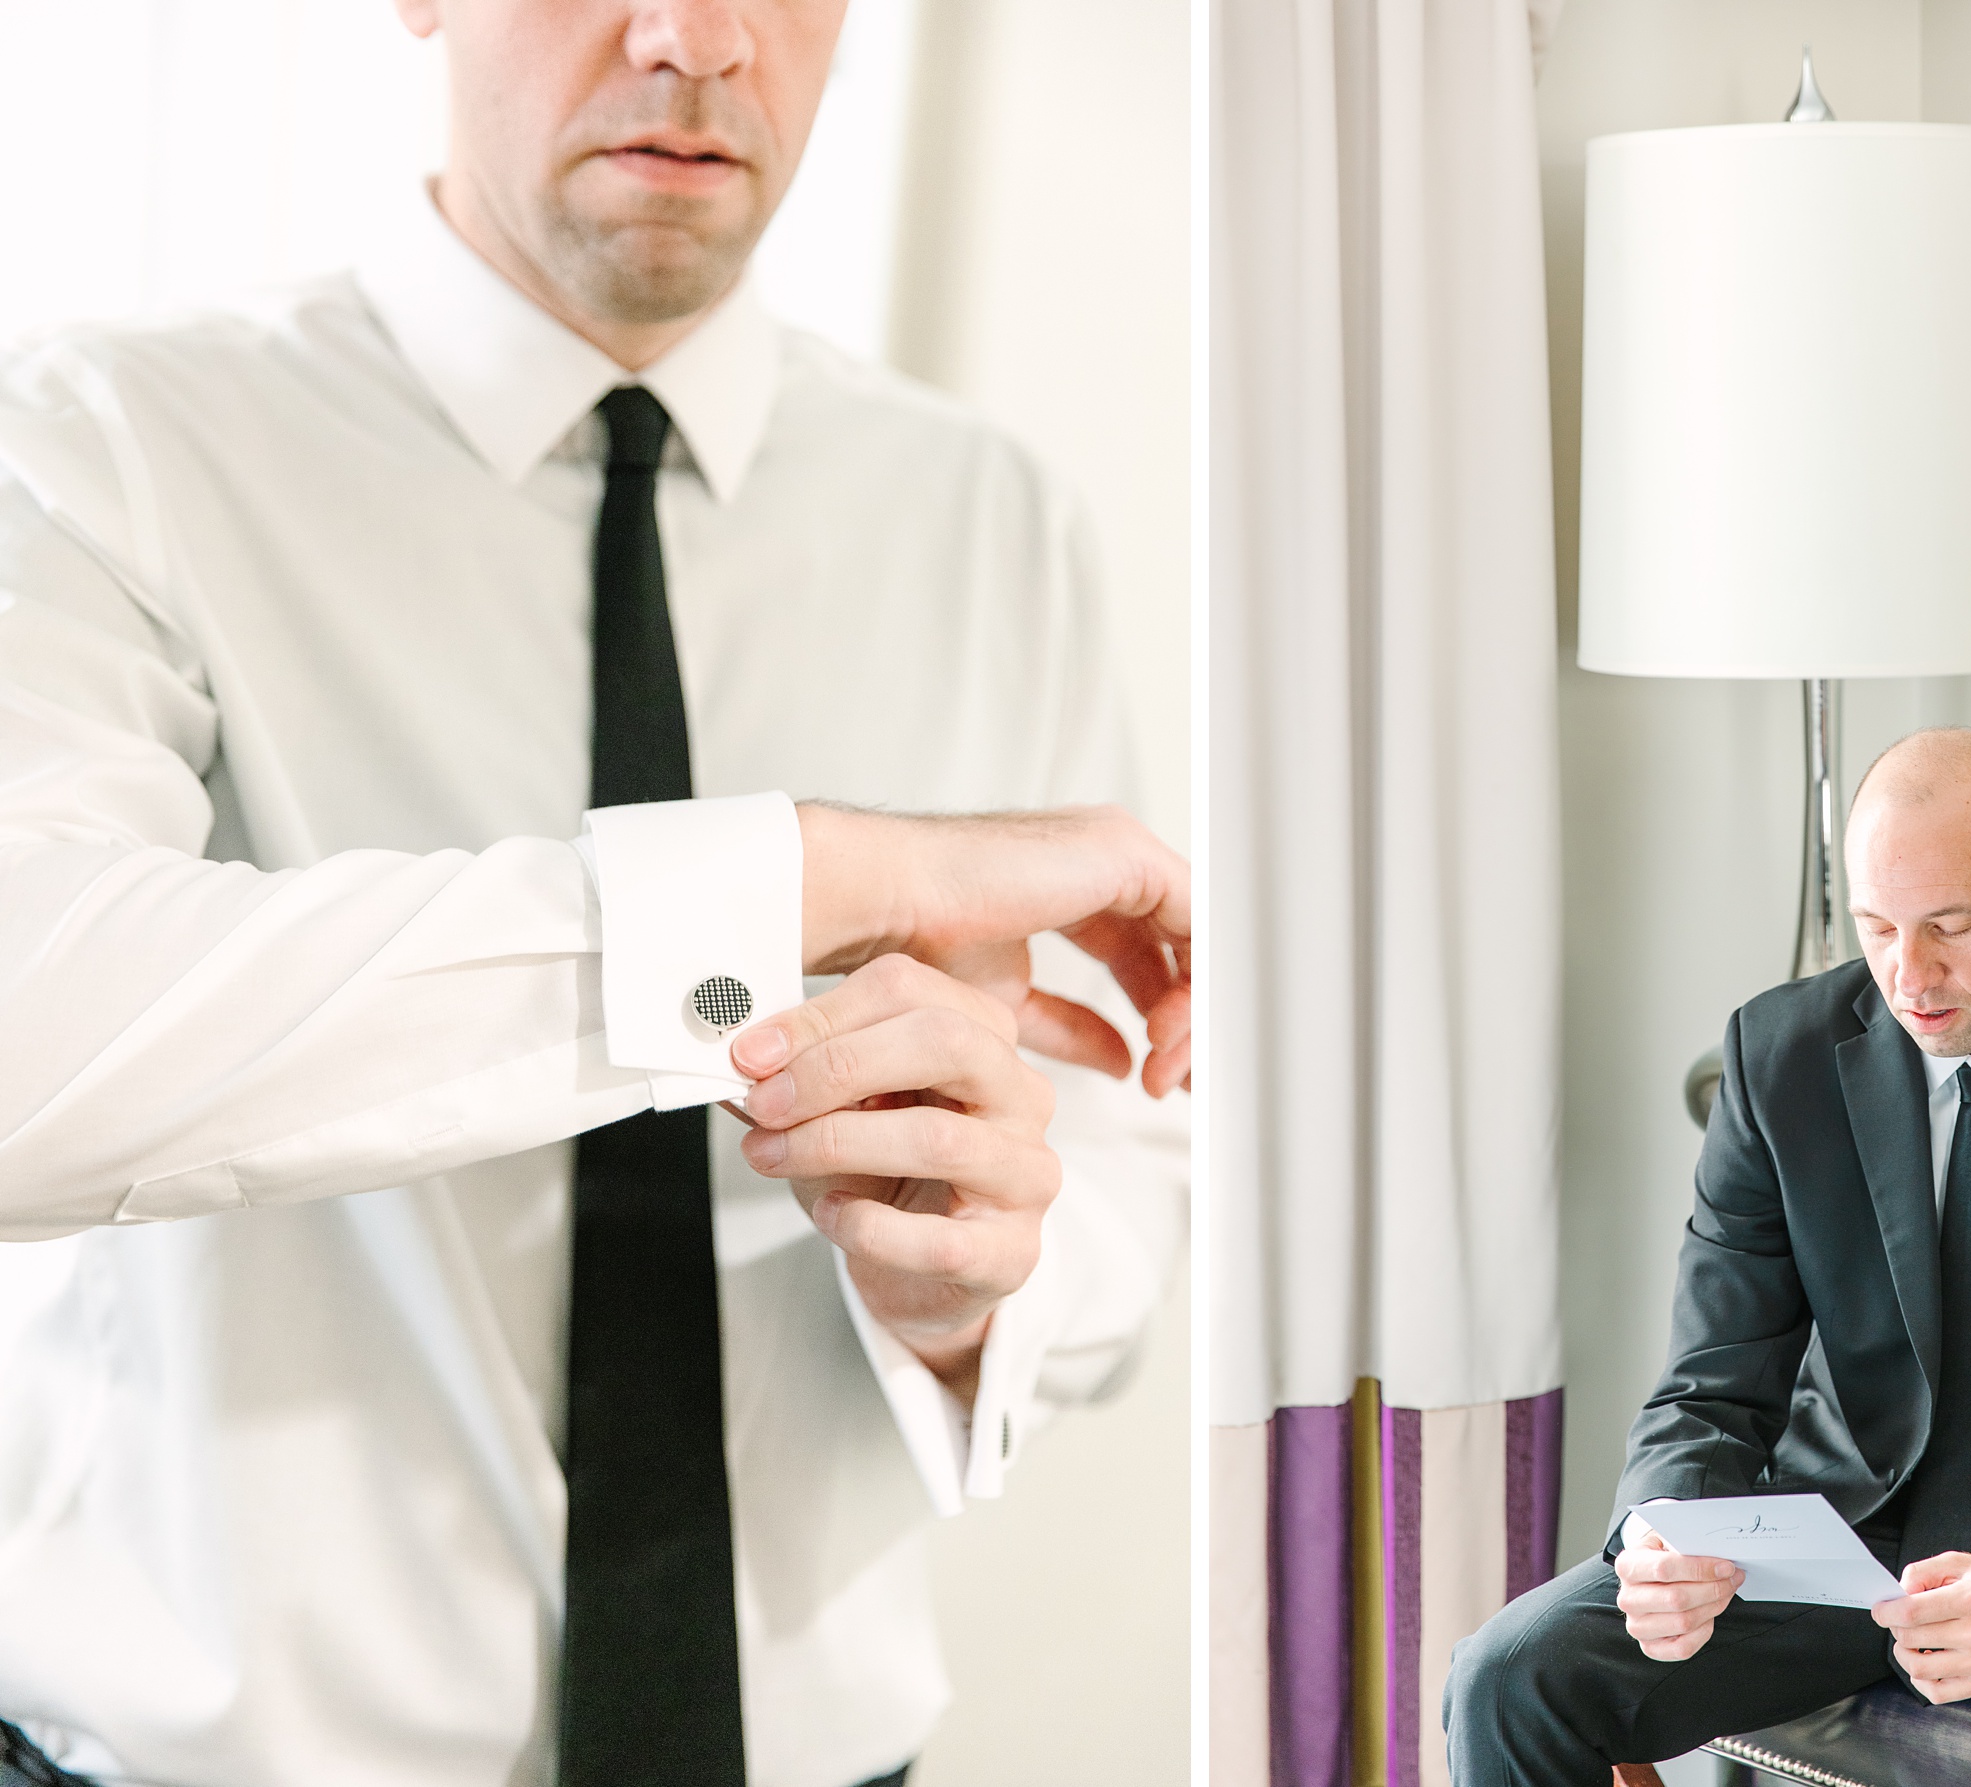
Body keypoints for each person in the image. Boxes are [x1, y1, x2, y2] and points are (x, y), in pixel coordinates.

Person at [0, 1, 1187, 1784]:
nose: (695, 38)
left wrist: (981, 1293)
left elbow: (1119, 1155)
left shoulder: (989, 515)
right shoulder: (98, 448)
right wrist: (807, 880)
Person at [1445, 729, 1971, 1787]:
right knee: (1507, 1674)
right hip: (1840, 1531)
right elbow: (1711, 1379)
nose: (1911, 975)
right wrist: (1660, 1537)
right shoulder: (1777, 1059)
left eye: (1950, 926)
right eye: (1876, 928)